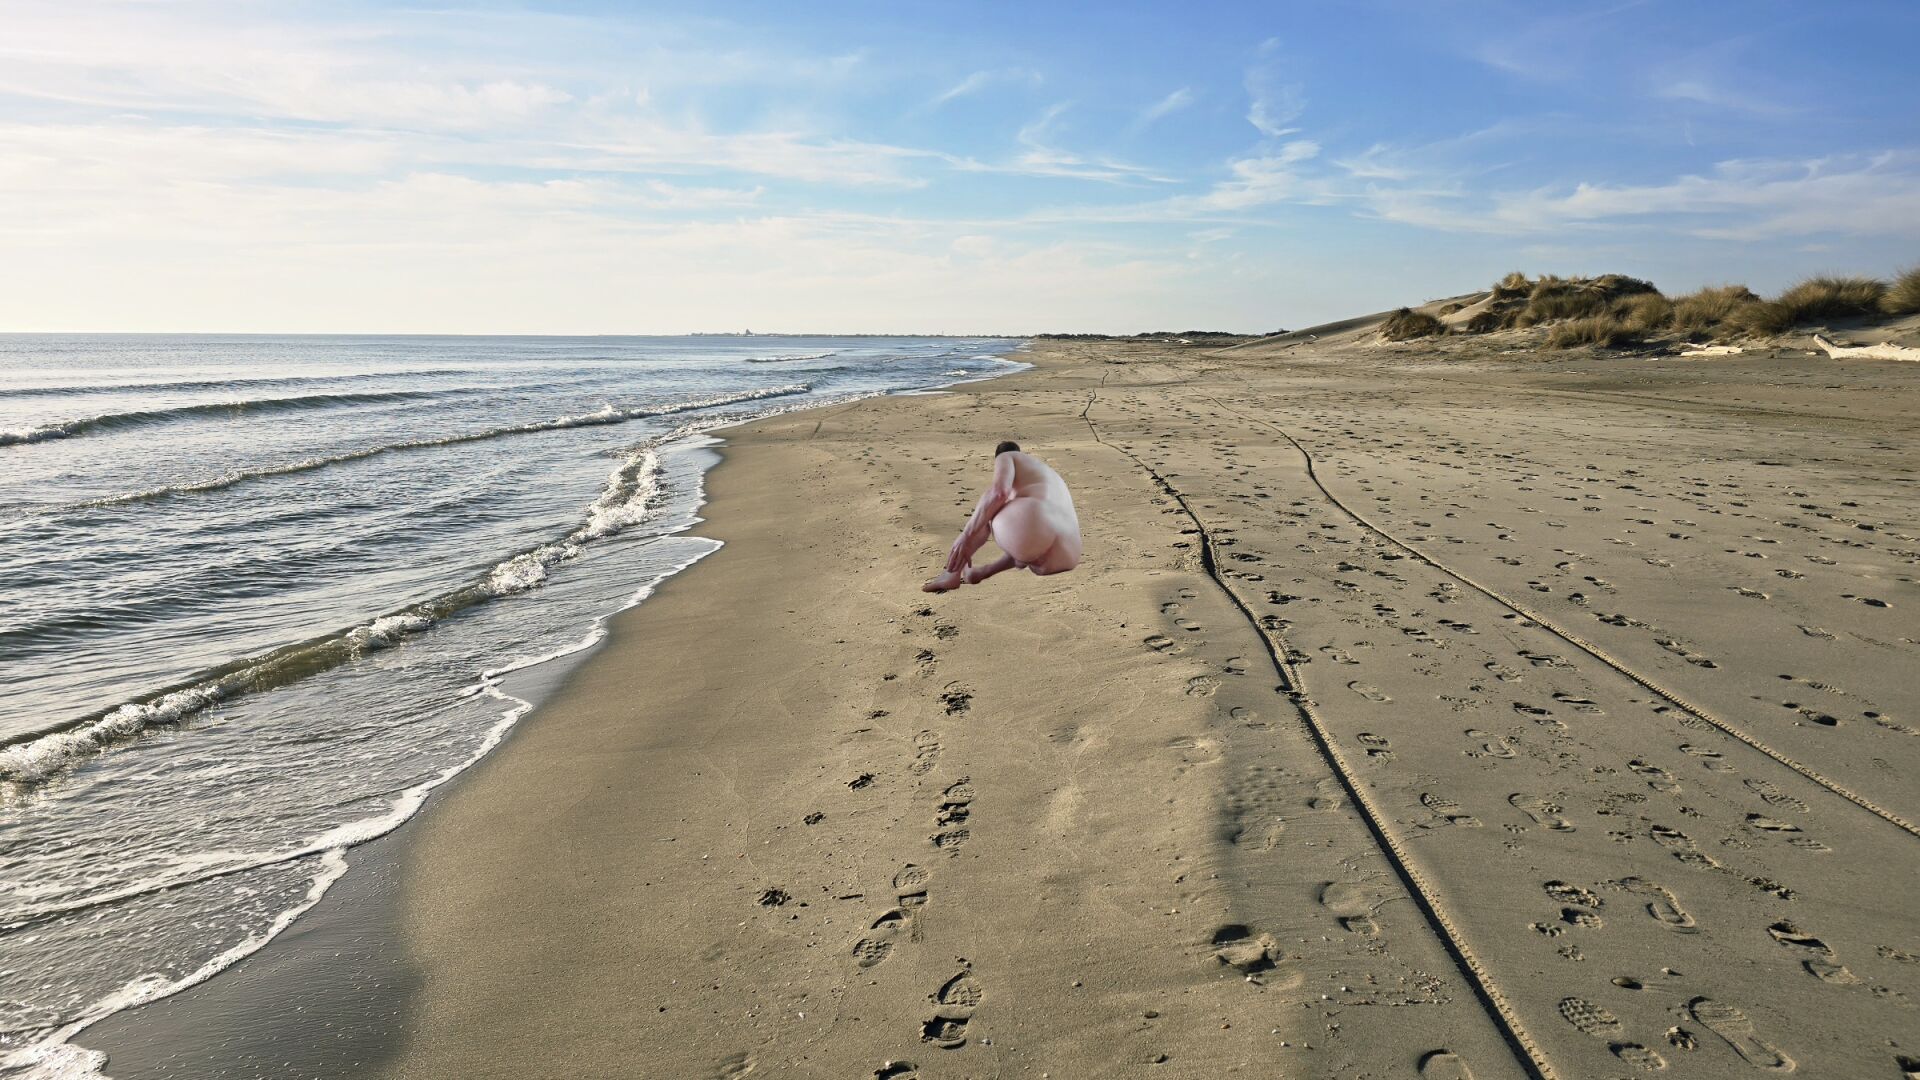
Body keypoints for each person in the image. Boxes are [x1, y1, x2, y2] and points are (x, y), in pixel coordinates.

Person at [923, 441, 1082, 592]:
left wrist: (966, 535)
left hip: (1036, 525)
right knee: (1029, 537)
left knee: (988, 509)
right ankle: (983, 572)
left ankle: (952, 573)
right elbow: (1032, 541)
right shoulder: (1047, 474)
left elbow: (1000, 493)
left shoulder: (1007, 456)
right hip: (1068, 555)